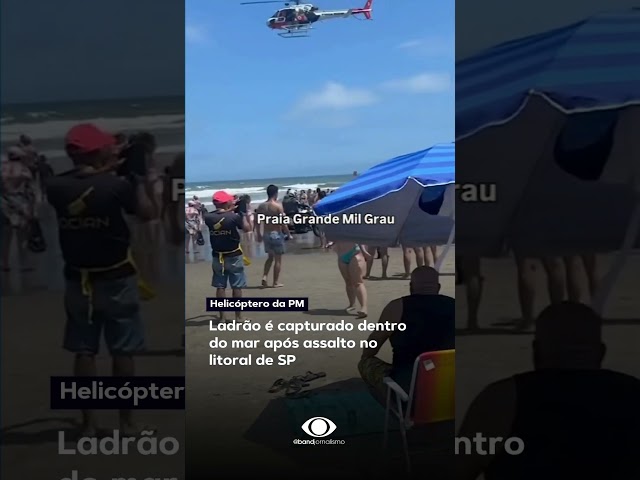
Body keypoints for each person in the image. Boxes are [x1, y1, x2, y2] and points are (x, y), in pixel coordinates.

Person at [45, 123, 156, 437]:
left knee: (85, 351)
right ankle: (127, 423)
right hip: (116, 276)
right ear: (100, 151)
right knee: (122, 352)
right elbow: (148, 213)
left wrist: (105, 167)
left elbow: (82, 183)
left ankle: (89, 424)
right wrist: (137, 177)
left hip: (77, 278)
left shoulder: (54, 186)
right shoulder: (117, 186)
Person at [456, 302, 640, 479]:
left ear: (536, 351)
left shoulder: (501, 401)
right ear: (601, 353)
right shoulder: (634, 395)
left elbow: (459, 468)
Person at [358, 267, 455, 401]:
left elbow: (375, 340)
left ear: (411, 287)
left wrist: (366, 356)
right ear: (438, 287)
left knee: (365, 364)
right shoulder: (455, 305)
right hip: (448, 383)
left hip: (409, 390)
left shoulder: (397, 306)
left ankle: (391, 408)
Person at [204, 190, 251, 322]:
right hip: (234, 255)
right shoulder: (234, 217)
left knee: (220, 286)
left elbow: (219, 215)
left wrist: (229, 209)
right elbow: (247, 228)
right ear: (227, 202)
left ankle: (222, 317)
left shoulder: (208, 217)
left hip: (217, 255)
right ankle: (239, 316)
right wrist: (242, 213)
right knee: (236, 286)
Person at [1, 146, 37, 272]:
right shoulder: (24, 170)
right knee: (22, 238)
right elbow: (30, 191)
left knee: (5, 237)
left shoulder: (2, 169)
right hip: (22, 205)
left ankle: (4, 263)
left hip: (4, 205)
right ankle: (24, 264)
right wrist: (32, 209)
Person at [255, 184, 290, 288]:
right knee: (278, 260)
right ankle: (275, 282)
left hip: (266, 233)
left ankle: (264, 276)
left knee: (270, 257)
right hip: (276, 234)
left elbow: (257, 222)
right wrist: (288, 233)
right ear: (276, 193)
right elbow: (283, 222)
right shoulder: (278, 206)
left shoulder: (261, 206)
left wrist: (258, 234)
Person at [334, 241, 371, 318]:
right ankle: (352, 304)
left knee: (358, 282)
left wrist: (364, 251)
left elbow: (360, 237)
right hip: (341, 255)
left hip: (355, 252)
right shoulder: (335, 228)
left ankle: (364, 307)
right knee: (348, 282)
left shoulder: (352, 228)